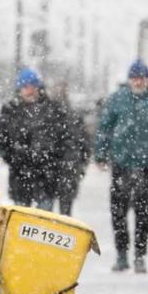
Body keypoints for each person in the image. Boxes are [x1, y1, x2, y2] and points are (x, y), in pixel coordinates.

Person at [94, 59, 148, 274]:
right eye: (134, 78)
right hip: (122, 162)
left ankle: (140, 255)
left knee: (143, 212)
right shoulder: (117, 100)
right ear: (129, 80)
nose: (138, 82)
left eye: (141, 78)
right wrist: (101, 154)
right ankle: (122, 254)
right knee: (118, 211)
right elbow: (104, 127)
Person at [0, 67, 84, 212]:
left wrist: (53, 160)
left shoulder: (53, 110)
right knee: (21, 223)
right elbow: (0, 140)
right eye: (25, 87)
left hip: (46, 179)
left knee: (43, 225)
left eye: (32, 86)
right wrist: (13, 158)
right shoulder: (10, 110)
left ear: (38, 87)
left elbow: (65, 139)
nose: (29, 90)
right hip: (20, 178)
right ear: (19, 89)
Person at [47, 82, 91, 215]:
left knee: (48, 213)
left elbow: (84, 143)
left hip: (60, 169)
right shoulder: (72, 116)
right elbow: (84, 144)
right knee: (64, 212)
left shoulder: (48, 115)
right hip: (66, 168)